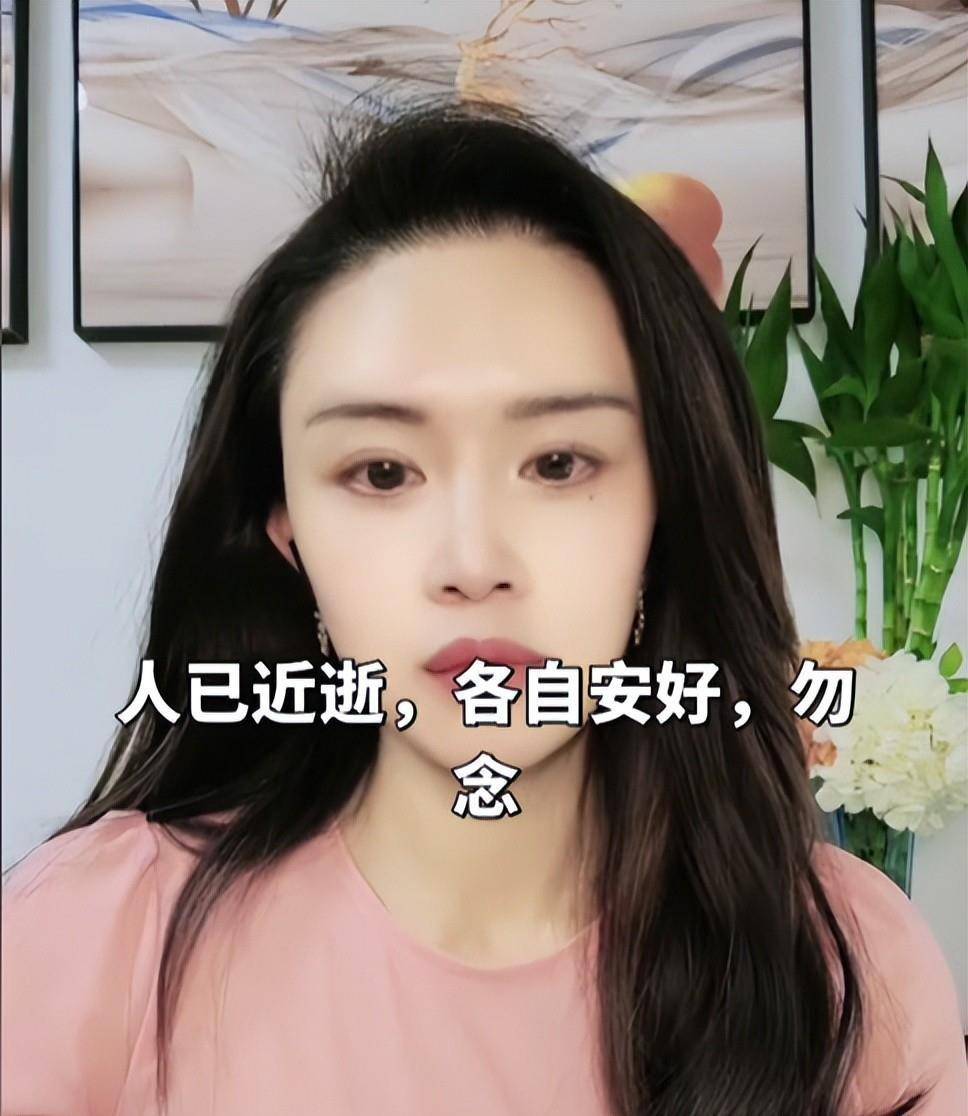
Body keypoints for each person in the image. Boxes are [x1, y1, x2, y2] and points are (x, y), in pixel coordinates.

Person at [2, 97, 965, 1116]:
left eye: (557, 464)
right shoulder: (96, 941)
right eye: (381, 472)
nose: (471, 564)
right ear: (291, 539)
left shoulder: (847, 966)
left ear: (665, 511)